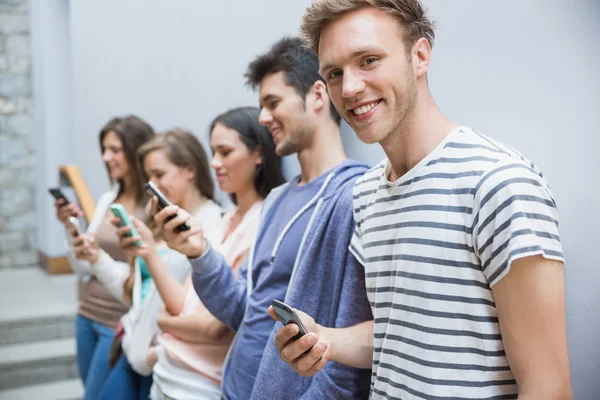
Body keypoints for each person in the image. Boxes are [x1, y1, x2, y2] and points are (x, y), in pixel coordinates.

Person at [272, 1, 574, 399]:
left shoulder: (498, 183)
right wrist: (324, 339)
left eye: (368, 60)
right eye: (334, 73)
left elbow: (548, 388)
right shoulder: (365, 194)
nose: (349, 88)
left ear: (420, 55)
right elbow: (400, 332)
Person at [153, 37, 373, 399]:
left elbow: (347, 351)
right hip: (238, 387)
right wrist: (200, 253)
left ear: (318, 95)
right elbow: (243, 310)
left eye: (272, 103)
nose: (263, 118)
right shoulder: (275, 200)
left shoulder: (352, 196)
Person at [116, 107, 285, 400]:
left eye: (225, 152)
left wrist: (165, 322)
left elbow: (216, 328)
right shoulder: (222, 222)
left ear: (259, 154)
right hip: (168, 374)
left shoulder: (265, 225)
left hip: (201, 384)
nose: (215, 162)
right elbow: (182, 303)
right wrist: (148, 252)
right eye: (213, 152)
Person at [88, 129, 222, 400]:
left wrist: (158, 351)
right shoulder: (159, 222)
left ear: (190, 170)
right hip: (134, 351)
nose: (153, 185)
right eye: (149, 176)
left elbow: (204, 313)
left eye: (159, 175)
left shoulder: (213, 225)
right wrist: (96, 258)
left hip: (167, 363)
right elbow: (139, 293)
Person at [53, 115, 155, 400]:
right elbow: (83, 267)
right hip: (87, 314)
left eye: (115, 149)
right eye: (104, 149)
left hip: (118, 321)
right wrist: (70, 230)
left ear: (136, 151)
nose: (106, 157)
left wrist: (97, 258)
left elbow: (150, 272)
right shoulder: (108, 199)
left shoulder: (153, 207)